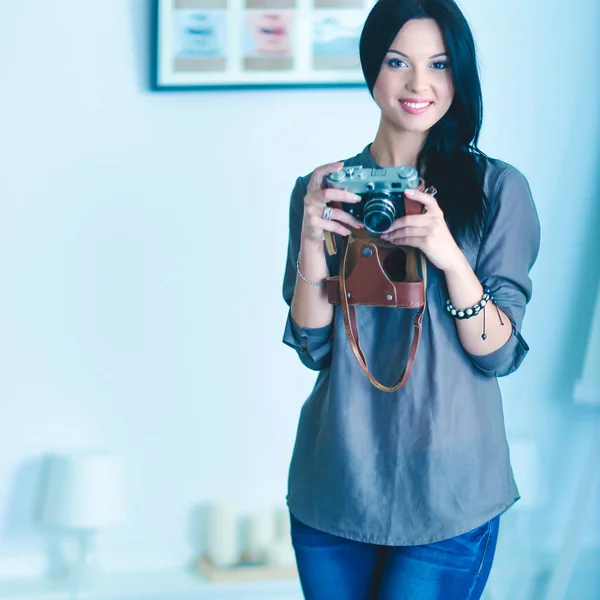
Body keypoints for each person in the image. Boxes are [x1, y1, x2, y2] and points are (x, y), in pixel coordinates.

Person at [281, 0, 541, 598]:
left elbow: (497, 355)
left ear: (460, 75)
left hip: (448, 491)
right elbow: (314, 345)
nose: (418, 83)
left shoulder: (498, 190)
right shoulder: (323, 190)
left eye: (439, 64)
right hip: (335, 482)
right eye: (399, 61)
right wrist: (312, 242)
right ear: (373, 67)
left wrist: (448, 255)